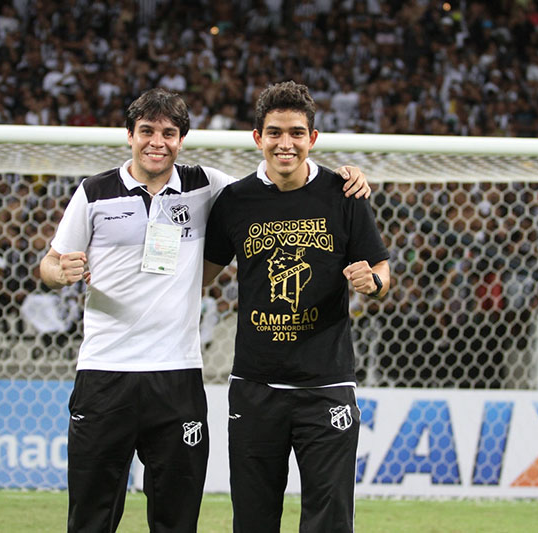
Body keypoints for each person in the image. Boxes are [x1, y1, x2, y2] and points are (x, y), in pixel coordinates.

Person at [38, 87, 371, 533]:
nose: (157, 142)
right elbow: (50, 262)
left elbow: (272, 184)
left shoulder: (208, 187)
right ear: (130, 135)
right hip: (105, 371)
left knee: (177, 520)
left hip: (177, 374)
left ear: (182, 140)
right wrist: (60, 273)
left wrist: (346, 177)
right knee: (90, 516)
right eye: (147, 132)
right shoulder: (93, 193)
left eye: (169, 133)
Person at [203, 81, 390, 532]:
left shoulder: (344, 194)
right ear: (257, 137)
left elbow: (382, 270)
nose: (285, 143)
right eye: (274, 132)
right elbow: (200, 278)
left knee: (329, 519)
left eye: (295, 132)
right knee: (252, 518)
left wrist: (374, 283)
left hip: (326, 384)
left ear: (313, 138)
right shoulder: (235, 200)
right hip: (255, 385)